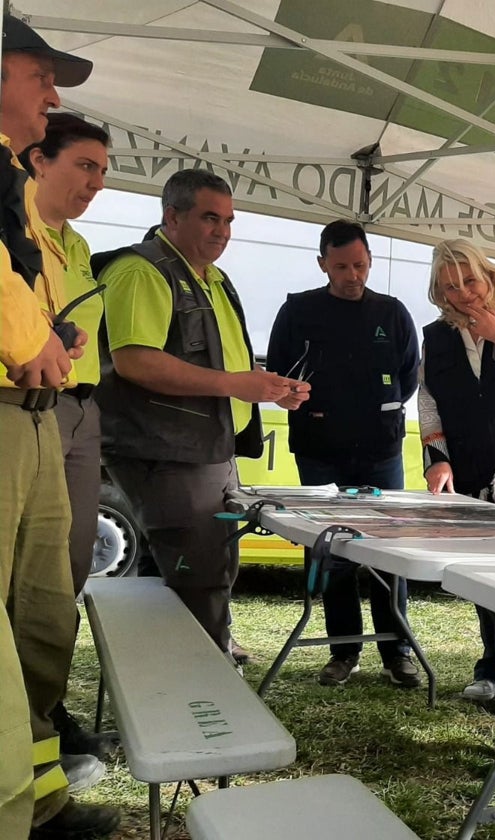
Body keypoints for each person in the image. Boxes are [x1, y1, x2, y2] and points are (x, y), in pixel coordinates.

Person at [95, 169, 310, 656]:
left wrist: (268, 388)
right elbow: (134, 360)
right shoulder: (141, 270)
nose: (222, 231)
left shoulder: (210, 276)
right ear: (171, 216)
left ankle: (181, 675)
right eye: (210, 218)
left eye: (229, 221)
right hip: (167, 451)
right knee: (197, 577)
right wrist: (238, 384)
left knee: (195, 572)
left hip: (203, 449)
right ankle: (202, 690)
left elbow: (218, 361)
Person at [0, 14, 123, 838]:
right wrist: (30, 337)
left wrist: (50, 335)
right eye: (38, 73)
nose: (50, 92)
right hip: (7, 416)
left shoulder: (15, 189)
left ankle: (39, 795)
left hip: (39, 419)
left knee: (46, 614)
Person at [267, 219, 420, 688]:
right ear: (322, 265)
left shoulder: (392, 313)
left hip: (380, 449)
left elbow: (409, 376)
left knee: (386, 554)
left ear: (370, 260)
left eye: (360, 265)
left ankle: (396, 653)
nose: (353, 275)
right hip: (319, 452)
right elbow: (278, 374)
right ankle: (344, 651)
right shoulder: (297, 312)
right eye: (341, 267)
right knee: (332, 553)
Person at [20, 113, 123, 766]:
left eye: (104, 171)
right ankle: (29, 728)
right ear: (38, 160)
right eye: (85, 165)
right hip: (28, 405)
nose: (97, 182)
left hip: (82, 408)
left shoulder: (76, 245)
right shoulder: (15, 230)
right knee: (31, 580)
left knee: (69, 570)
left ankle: (45, 715)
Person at [418, 238, 495, 717]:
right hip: (466, 469)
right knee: (478, 576)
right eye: (450, 287)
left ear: (490, 276)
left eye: (470, 280)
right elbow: (428, 400)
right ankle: (491, 669)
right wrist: (436, 457)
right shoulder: (437, 334)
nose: (464, 293)